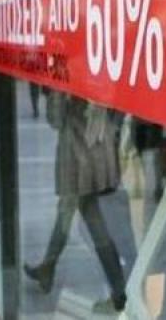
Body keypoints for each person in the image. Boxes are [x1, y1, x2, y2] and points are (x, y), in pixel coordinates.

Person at [23, 93, 126, 313]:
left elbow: (55, 118)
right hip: (97, 151)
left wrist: (55, 92)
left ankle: (120, 293)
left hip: (77, 158)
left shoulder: (69, 80)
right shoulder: (98, 74)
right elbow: (118, 108)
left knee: (85, 220)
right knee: (73, 212)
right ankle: (48, 267)